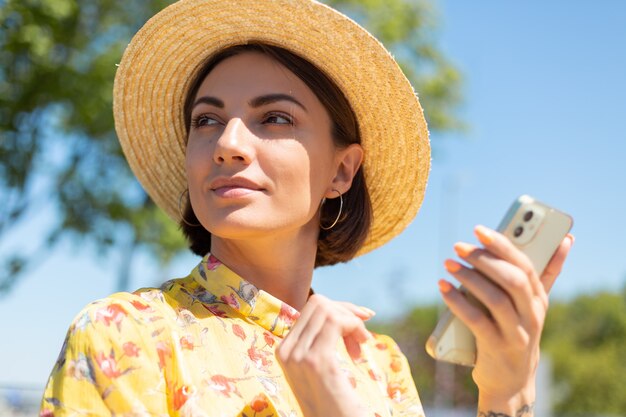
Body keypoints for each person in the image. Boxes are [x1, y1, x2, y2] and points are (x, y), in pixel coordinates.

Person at [39, 1, 573, 416]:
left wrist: (509, 387)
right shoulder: (123, 334)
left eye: (274, 118)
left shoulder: (378, 363)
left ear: (342, 171)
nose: (228, 141)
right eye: (206, 120)